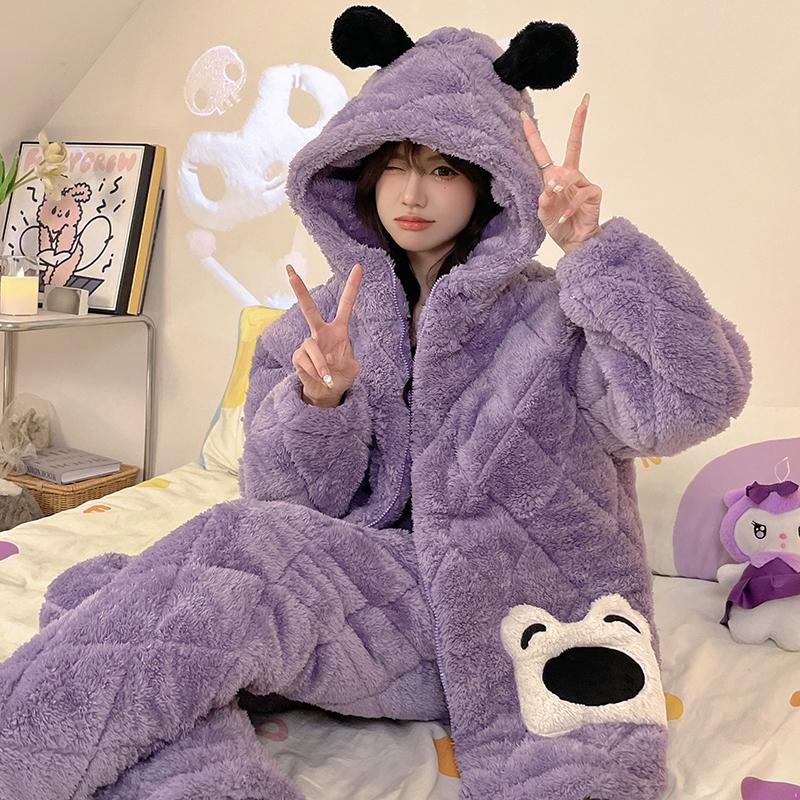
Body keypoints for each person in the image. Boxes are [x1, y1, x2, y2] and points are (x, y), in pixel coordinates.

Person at [0, 8, 752, 800]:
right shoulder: (318, 319)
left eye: (444, 169)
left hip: (514, 614)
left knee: (190, 576)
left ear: (491, 182)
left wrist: (595, 251)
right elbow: (285, 508)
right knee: (99, 590)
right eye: (396, 164)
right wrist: (321, 403)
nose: (413, 192)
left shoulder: (558, 314)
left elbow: (697, 398)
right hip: (377, 603)